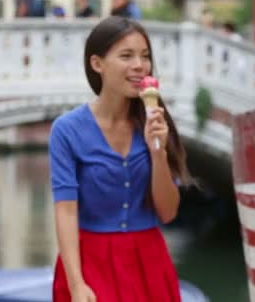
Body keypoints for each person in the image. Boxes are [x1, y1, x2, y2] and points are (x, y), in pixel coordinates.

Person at [49, 16, 190, 302]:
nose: (140, 65)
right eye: (126, 56)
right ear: (97, 64)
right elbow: (66, 211)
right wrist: (77, 284)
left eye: (145, 56)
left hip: (149, 264)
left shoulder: (156, 123)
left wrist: (157, 152)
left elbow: (168, 212)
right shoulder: (66, 130)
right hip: (90, 265)